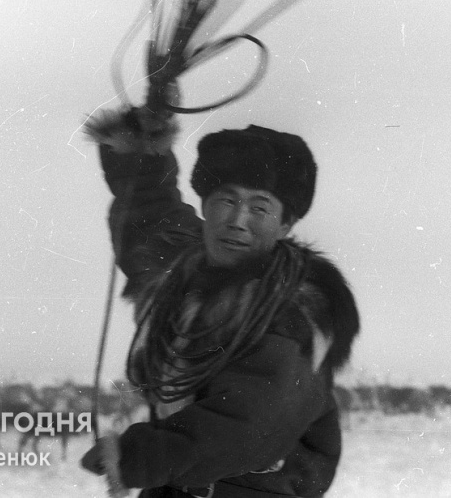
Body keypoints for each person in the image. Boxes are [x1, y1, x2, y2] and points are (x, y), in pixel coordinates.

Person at [80, 100, 360, 498]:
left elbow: (247, 424)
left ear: (285, 224)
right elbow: (150, 213)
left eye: (260, 207)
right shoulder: (182, 267)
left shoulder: (299, 313)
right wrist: (142, 149)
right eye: (226, 200)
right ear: (206, 206)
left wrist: (138, 457)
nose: (238, 221)